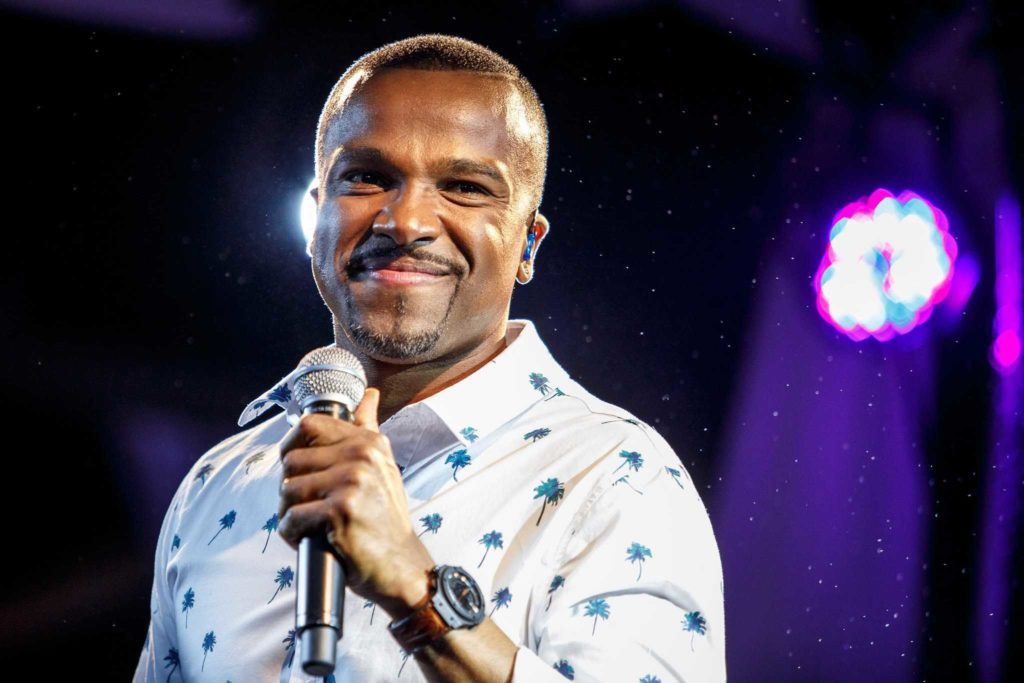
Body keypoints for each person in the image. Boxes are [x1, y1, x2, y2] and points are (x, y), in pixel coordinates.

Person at [133, 33, 725, 683]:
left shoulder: (618, 478)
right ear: (315, 218)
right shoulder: (216, 485)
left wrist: (414, 587)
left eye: (465, 186)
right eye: (367, 177)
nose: (406, 220)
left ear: (528, 244)